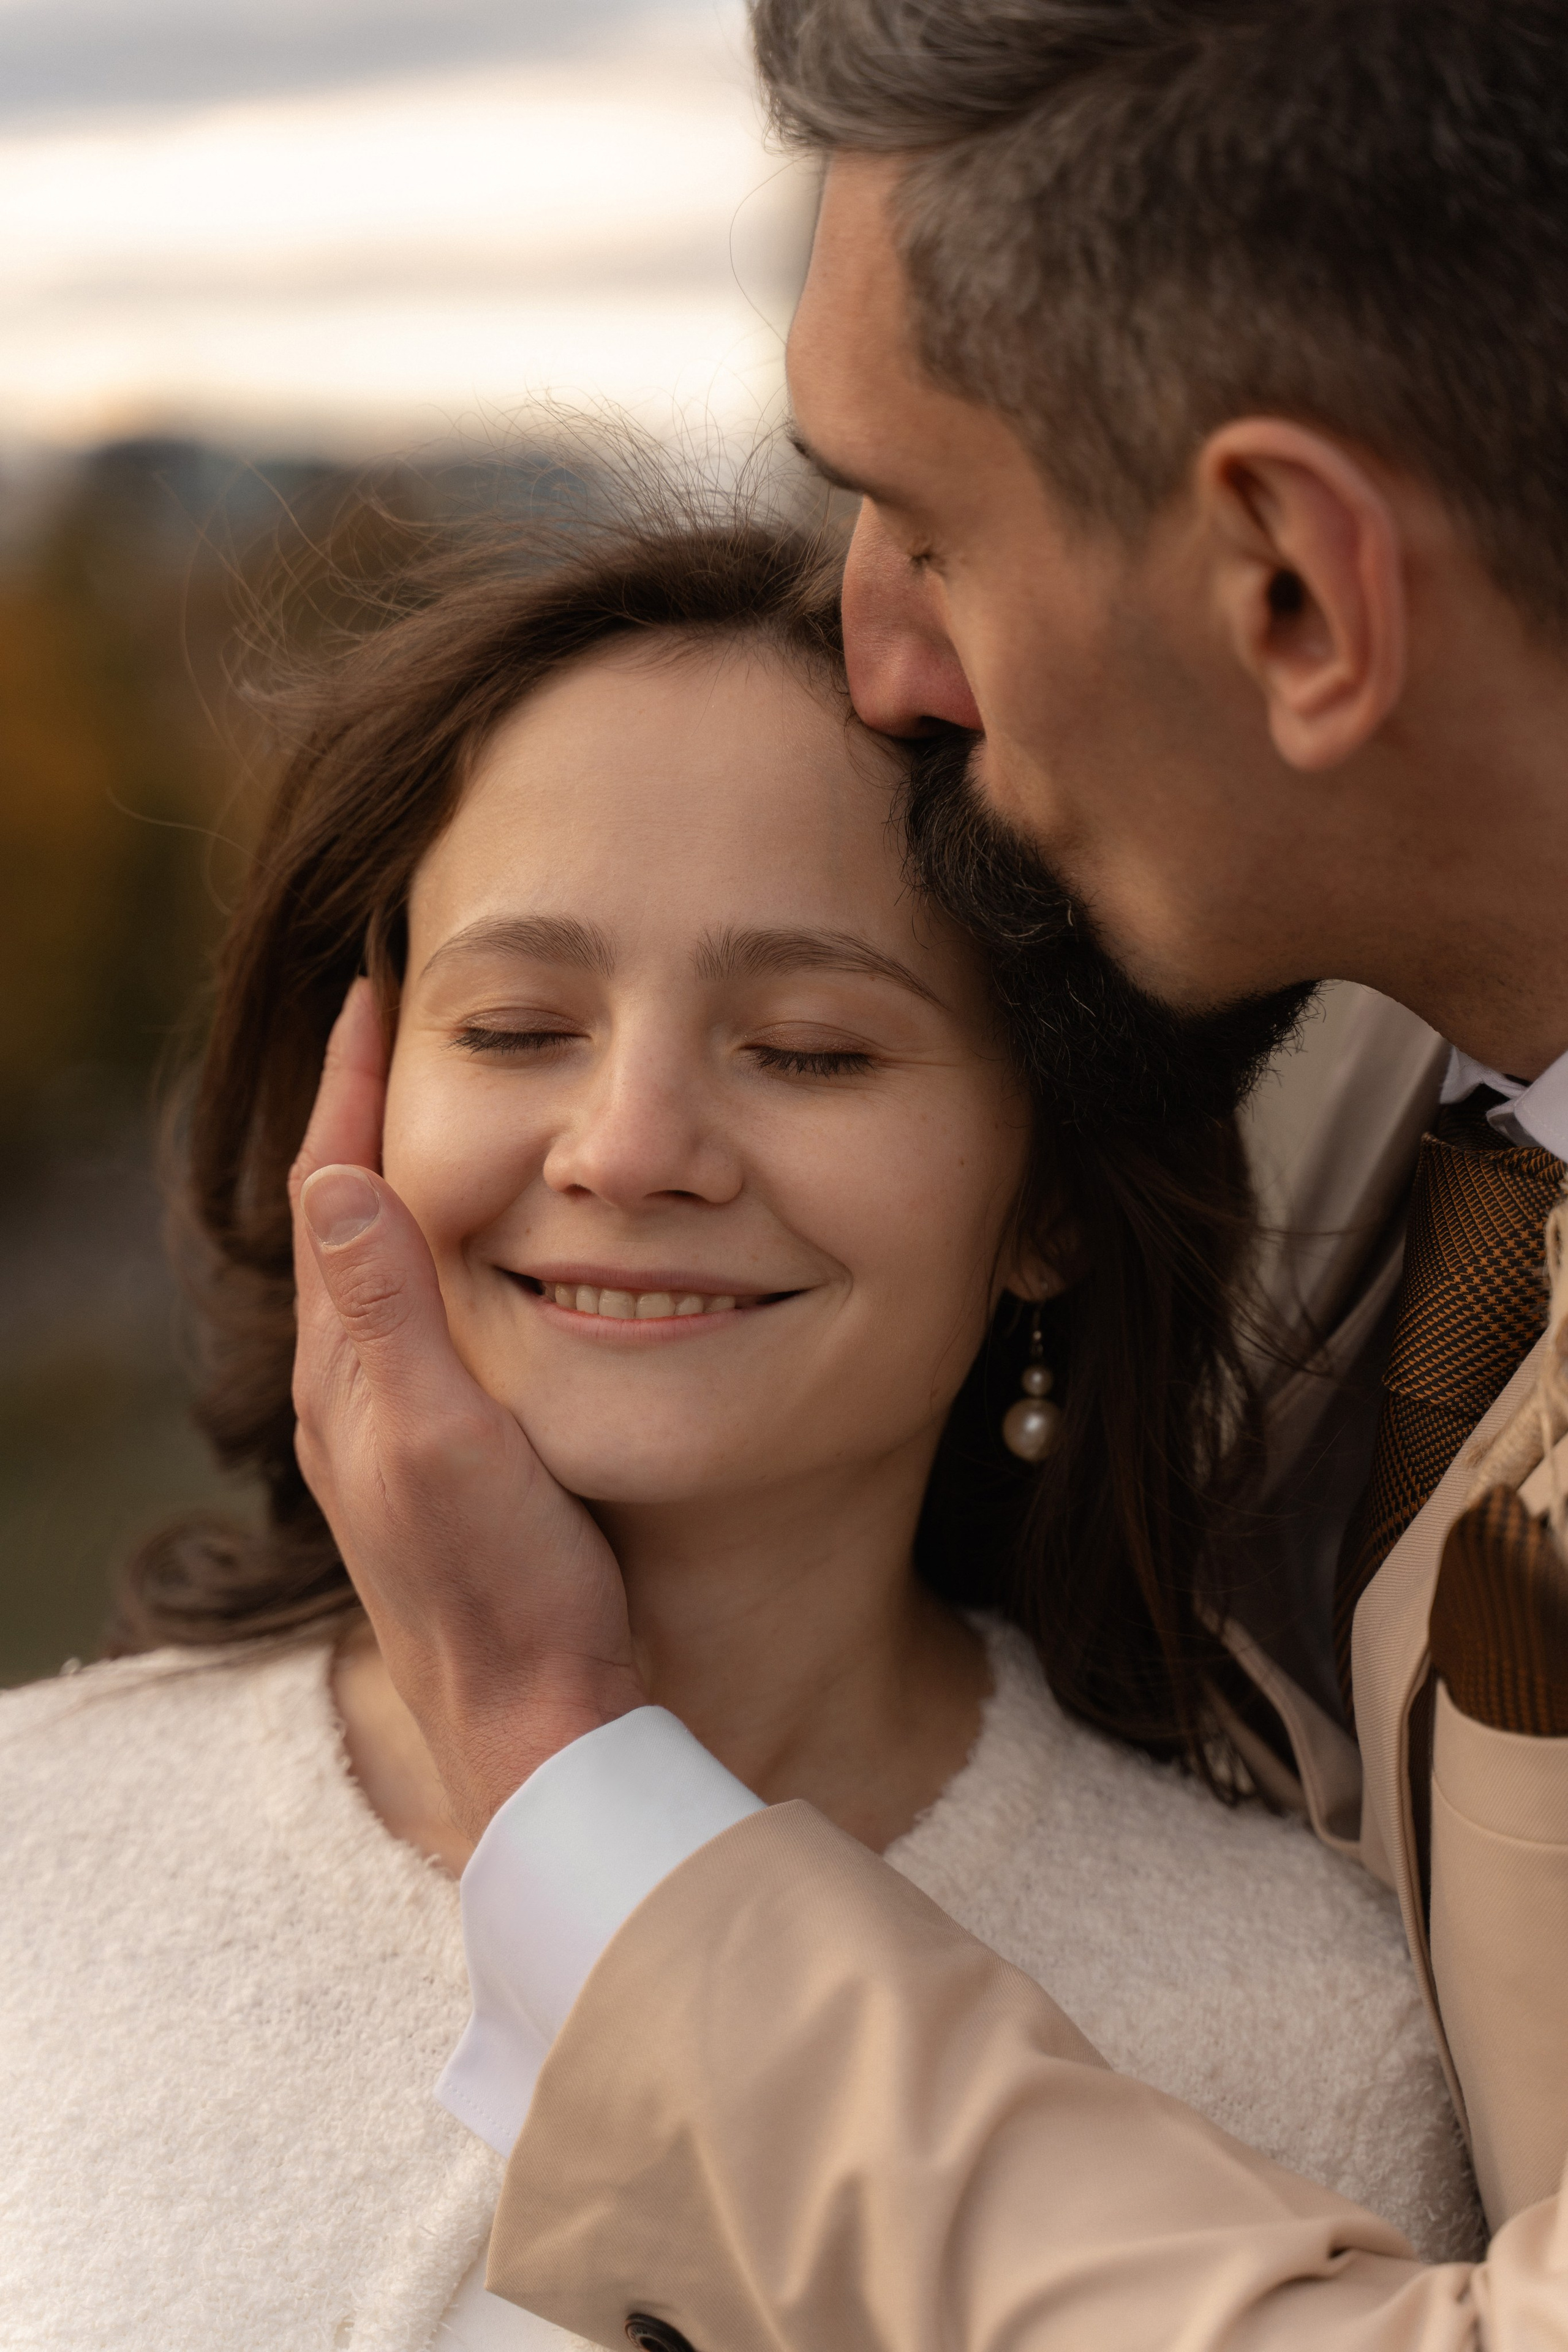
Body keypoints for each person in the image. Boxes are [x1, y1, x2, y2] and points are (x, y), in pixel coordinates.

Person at [276, 4, 1568, 2347]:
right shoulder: (1406, 1079)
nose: (872, 651)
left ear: (1292, 591)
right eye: (517, 1018)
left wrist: (577, 1790)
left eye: (926, 527)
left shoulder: (1291, 2006)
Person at [1, 501, 1470, 2348]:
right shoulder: (27, 1847)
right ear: (350, 1105)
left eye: (813, 1050)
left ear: (1053, 1198)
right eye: (519, 1025)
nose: (628, 1149)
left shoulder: (1319, 2031)